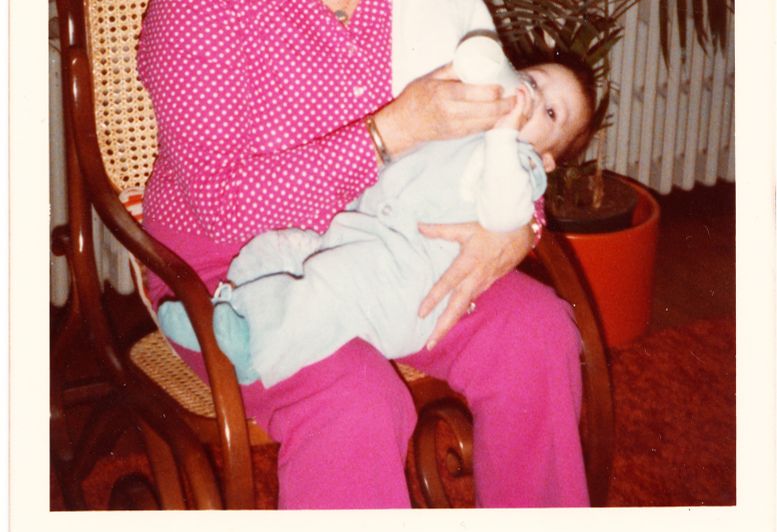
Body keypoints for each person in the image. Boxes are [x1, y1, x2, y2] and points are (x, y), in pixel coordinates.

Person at [137, 0, 591, 508]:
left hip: (394, 242)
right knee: (354, 401)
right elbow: (219, 203)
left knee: (537, 335)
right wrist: (391, 131)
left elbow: (500, 131)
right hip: (235, 272)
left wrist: (513, 230)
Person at [156, 35, 595, 388]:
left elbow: (507, 208)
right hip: (357, 233)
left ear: (549, 158)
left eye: (551, 113)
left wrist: (505, 145)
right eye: (534, 83)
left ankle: (252, 345)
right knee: (280, 251)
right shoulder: (472, 120)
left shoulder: (521, 163)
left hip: (405, 279)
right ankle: (228, 306)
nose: (533, 101)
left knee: (329, 289)